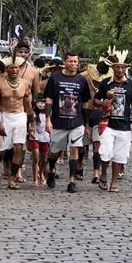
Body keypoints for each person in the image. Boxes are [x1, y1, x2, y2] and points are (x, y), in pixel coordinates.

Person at [44, 52, 92, 193]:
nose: (72, 64)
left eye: (75, 62)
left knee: (74, 148)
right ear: (65, 62)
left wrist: (87, 124)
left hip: (76, 122)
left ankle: (71, 181)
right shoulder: (55, 78)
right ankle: (51, 168)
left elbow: (85, 103)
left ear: (78, 63)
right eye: (70, 61)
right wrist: (47, 119)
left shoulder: (82, 80)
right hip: (58, 122)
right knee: (54, 152)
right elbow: (49, 99)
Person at [94, 48, 132, 193]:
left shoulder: (131, 85)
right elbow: (95, 101)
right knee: (106, 152)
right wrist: (104, 101)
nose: (120, 70)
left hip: (124, 126)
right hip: (108, 124)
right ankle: (103, 175)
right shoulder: (105, 83)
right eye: (117, 67)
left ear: (125, 69)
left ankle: (114, 182)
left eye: (122, 67)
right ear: (112, 68)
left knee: (119, 156)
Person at [0, 56, 33, 190]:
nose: (14, 70)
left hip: (20, 117)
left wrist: (31, 121)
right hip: (5, 116)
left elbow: (27, 103)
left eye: (16, 67)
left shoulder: (25, 83)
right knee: (1, 149)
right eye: (11, 68)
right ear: (7, 69)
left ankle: (12, 178)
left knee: (18, 147)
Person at [81, 57, 112, 184]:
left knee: (97, 145)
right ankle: (79, 166)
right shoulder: (84, 78)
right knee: (81, 146)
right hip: (85, 113)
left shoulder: (108, 83)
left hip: (101, 115)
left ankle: (96, 172)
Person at [28, 96, 49, 187]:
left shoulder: (49, 113)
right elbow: (30, 124)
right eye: (39, 102)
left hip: (45, 136)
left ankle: (40, 173)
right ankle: (34, 178)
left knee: (44, 160)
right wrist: (31, 130)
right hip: (35, 136)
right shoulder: (33, 113)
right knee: (36, 157)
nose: (41, 104)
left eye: (43, 102)